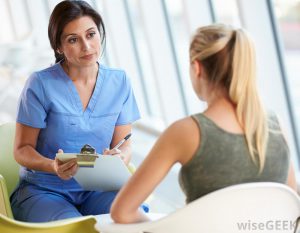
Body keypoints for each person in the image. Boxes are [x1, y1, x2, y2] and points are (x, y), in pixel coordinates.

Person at [110, 24, 297, 223]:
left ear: (197, 67)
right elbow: (290, 204)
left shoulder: (187, 132)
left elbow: (122, 211)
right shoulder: (276, 126)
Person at [10, 0, 140, 222]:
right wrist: (52, 166)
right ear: (59, 47)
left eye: (91, 35)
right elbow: (22, 149)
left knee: (132, 218)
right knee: (74, 226)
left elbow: (124, 143)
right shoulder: (40, 84)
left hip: (99, 187)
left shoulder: (119, 81)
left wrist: (120, 157)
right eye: (73, 40)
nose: (87, 47)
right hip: (45, 190)